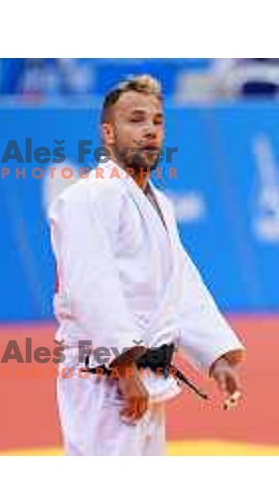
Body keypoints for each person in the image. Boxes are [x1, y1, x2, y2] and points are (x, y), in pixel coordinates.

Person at [48, 74, 246, 456]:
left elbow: (180, 286)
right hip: (103, 379)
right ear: (108, 133)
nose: (150, 130)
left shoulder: (159, 203)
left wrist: (215, 356)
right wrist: (123, 369)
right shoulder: (89, 198)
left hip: (148, 375)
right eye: (136, 120)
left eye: (157, 121)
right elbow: (92, 289)